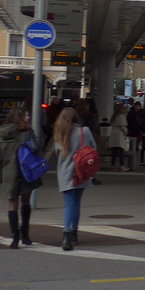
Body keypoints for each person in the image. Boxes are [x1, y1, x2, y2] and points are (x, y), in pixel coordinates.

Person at [48, 107, 97, 251]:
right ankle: (74, 232)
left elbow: (58, 154)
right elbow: (93, 149)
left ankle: (66, 234)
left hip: (65, 173)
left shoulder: (59, 133)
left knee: (68, 203)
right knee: (76, 203)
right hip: (82, 172)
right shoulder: (85, 131)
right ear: (76, 117)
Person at [0, 108, 41, 248]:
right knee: (25, 202)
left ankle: (15, 238)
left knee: (12, 204)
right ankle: (25, 234)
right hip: (26, 172)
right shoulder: (27, 132)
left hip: (9, 173)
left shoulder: (2, 134)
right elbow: (36, 148)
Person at [108, 103, 129, 170]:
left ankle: (113, 165)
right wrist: (126, 132)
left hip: (113, 133)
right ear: (120, 109)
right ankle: (122, 165)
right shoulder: (121, 117)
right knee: (121, 151)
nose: (124, 110)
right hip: (119, 135)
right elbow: (122, 127)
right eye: (123, 108)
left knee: (114, 151)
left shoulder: (114, 116)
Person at [126, 101, 143, 170]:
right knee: (131, 145)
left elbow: (143, 122)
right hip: (131, 131)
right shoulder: (131, 112)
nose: (137, 107)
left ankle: (134, 158)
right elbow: (128, 121)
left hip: (138, 132)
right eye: (137, 106)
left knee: (136, 145)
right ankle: (131, 159)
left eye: (139, 106)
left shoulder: (141, 113)